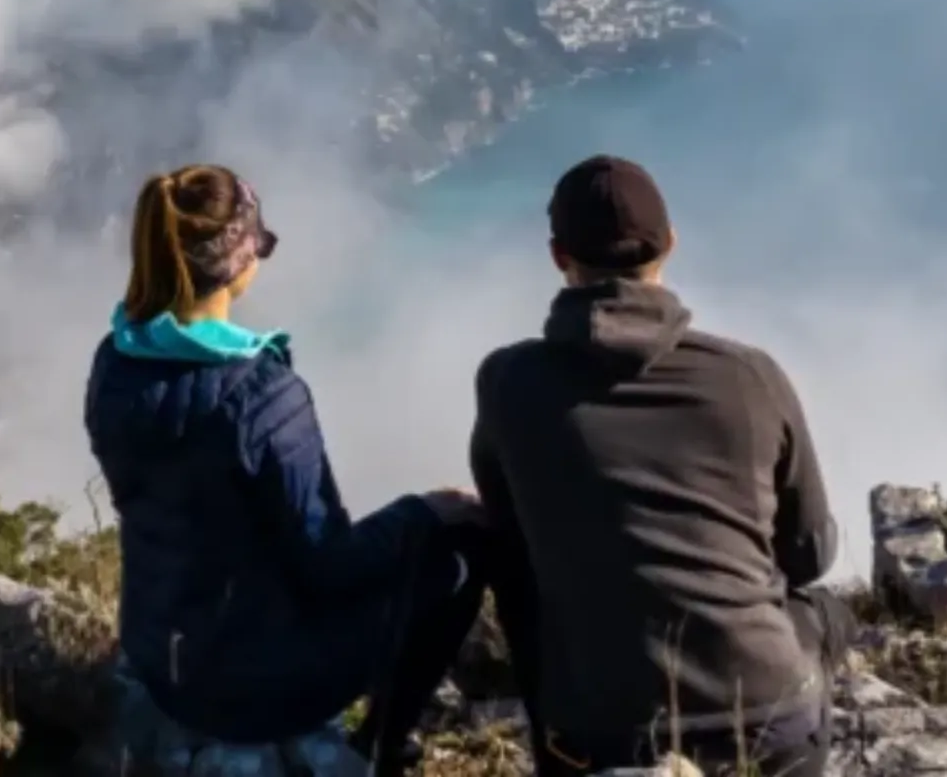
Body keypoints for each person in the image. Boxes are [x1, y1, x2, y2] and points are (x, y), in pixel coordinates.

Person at [85, 164, 488, 776]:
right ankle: (383, 750)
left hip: (159, 656)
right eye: (260, 244)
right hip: (256, 689)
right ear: (240, 261)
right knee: (456, 561)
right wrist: (424, 511)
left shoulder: (114, 364)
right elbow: (330, 565)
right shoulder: (263, 395)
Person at [469, 155, 853, 777]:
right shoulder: (750, 376)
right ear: (670, 245)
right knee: (827, 612)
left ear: (558, 255)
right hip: (769, 727)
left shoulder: (509, 383)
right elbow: (807, 554)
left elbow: (509, 539)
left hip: (595, 739)